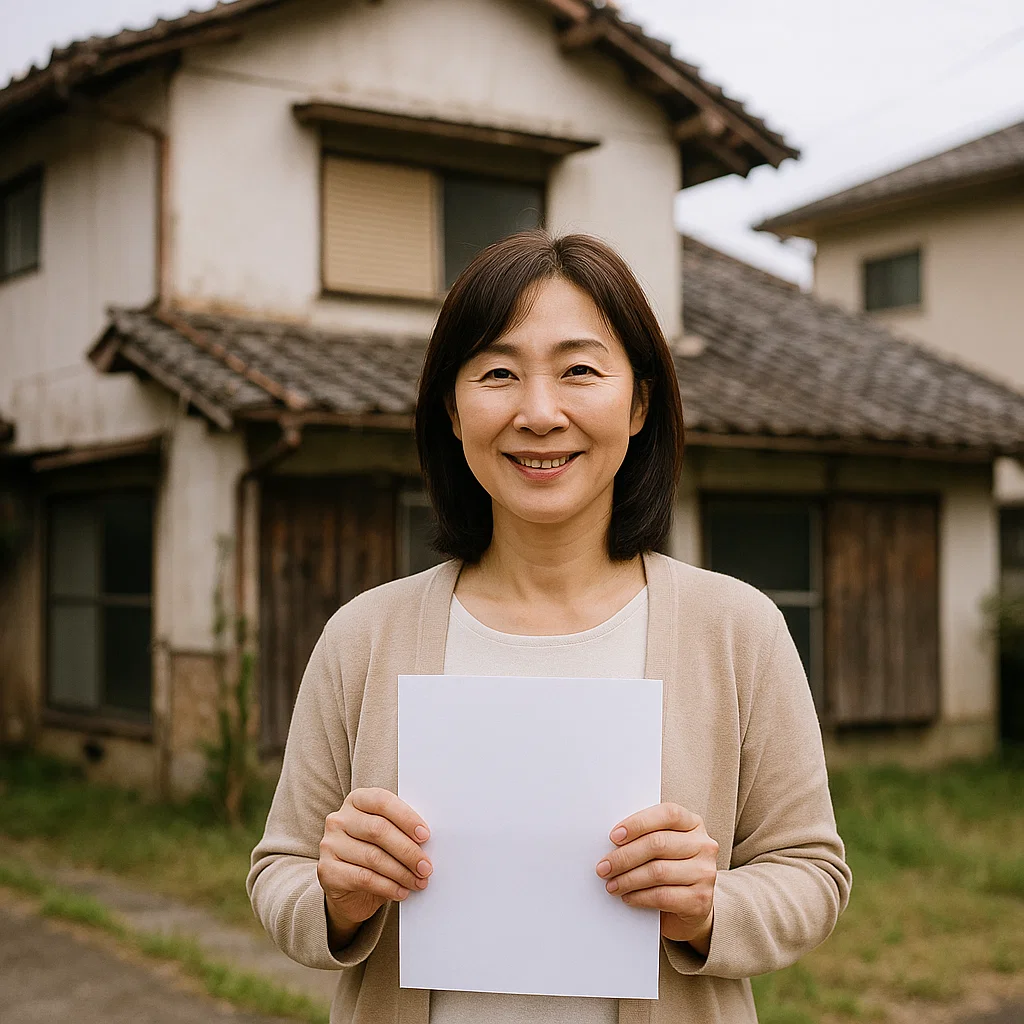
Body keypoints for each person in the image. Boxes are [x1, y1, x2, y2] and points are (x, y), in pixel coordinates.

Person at [248, 231, 852, 1024]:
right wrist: (338, 896)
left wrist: (709, 907)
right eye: (498, 373)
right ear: (453, 410)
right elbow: (279, 869)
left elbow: (811, 870)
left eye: (579, 371)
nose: (539, 413)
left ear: (638, 403)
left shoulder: (736, 630)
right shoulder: (366, 635)